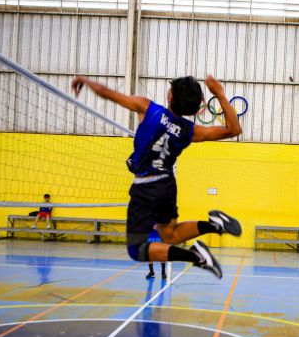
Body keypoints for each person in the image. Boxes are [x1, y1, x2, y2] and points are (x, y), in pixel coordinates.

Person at [72, 75, 242, 278]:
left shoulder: (147, 108)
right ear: (195, 109)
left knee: (136, 250)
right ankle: (215, 225)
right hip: (166, 186)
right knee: (170, 234)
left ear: (169, 96)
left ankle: (196, 257)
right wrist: (220, 94)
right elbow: (234, 129)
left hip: (145, 187)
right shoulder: (190, 131)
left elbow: (106, 92)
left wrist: (85, 80)